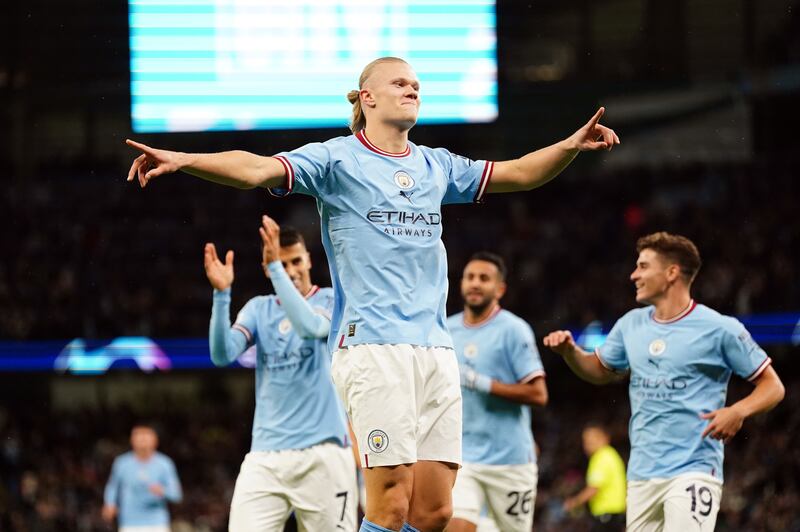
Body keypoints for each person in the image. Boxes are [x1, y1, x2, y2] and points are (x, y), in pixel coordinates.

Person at [126, 56, 619, 532]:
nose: (413, 90)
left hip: (435, 348)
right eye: (401, 83)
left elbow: (520, 173)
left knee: (434, 513)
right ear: (368, 97)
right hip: (373, 346)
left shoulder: (437, 165)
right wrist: (186, 158)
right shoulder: (335, 159)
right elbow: (255, 169)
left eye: (417, 86)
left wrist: (569, 145)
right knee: (389, 503)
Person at [543, 231, 785, 532]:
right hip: (642, 474)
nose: (633, 275)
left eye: (643, 266)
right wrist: (570, 353)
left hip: (693, 470)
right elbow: (599, 372)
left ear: (672, 273)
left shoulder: (720, 329)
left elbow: (773, 386)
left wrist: (738, 411)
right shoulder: (630, 325)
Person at [204, 216, 357, 531]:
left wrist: (276, 270)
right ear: (266, 269)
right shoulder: (259, 309)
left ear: (309, 260)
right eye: (281, 264)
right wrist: (222, 296)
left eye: (296, 261)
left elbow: (311, 327)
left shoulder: (332, 300)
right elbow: (222, 354)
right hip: (265, 457)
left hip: (324, 453)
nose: (291, 271)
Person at [445, 252, 548, 532]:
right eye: (470, 277)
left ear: (500, 289)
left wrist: (483, 383)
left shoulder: (514, 330)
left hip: (510, 461)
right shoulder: (446, 330)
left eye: (484, 278)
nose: (475, 284)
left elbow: (539, 394)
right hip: (463, 457)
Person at [102, 424, 182, 532]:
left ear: (155, 441)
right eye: (139, 438)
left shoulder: (164, 464)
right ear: (132, 441)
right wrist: (110, 503)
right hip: (129, 523)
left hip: (157, 523)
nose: (142, 442)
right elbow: (113, 486)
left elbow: (176, 494)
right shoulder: (122, 463)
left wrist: (163, 490)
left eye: (146, 438)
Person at [563, 422, 626, 531]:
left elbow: (593, 488)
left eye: (591, 440)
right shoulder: (612, 455)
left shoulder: (601, 457)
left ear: (604, 438)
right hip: (617, 514)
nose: (587, 445)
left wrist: (574, 502)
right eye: (585, 441)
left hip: (606, 514)